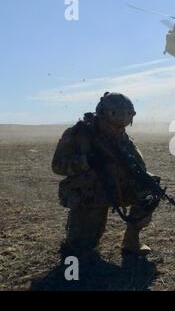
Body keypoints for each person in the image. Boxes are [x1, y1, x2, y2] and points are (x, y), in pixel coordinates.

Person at [52, 92, 160, 258]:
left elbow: (139, 167)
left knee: (149, 188)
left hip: (116, 186)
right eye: (114, 126)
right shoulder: (79, 134)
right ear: (102, 117)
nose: (118, 130)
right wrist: (86, 161)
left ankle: (131, 241)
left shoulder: (123, 138)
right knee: (80, 249)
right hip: (89, 193)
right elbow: (57, 166)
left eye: (122, 127)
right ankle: (78, 239)